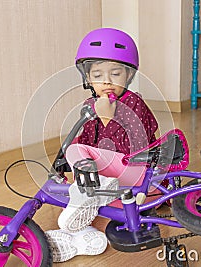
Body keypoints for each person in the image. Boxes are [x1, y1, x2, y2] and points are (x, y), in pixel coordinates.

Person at [45, 27, 159, 262]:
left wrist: (108, 118)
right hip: (109, 182)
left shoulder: (133, 103)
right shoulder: (90, 103)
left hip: (132, 170)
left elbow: (136, 147)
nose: (106, 81)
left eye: (115, 74)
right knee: (76, 147)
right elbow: (87, 141)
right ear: (87, 78)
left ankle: (90, 193)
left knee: (76, 150)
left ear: (128, 76)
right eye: (97, 75)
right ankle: (82, 238)